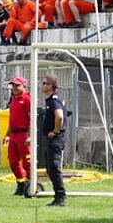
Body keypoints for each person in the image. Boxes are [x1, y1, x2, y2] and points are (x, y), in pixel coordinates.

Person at [3, 77, 33, 196]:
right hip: (14, 135)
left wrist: (30, 135)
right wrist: (7, 135)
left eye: (17, 85)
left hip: (23, 134)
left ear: (24, 86)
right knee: (13, 161)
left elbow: (32, 119)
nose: (14, 88)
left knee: (27, 162)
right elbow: (12, 120)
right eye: (13, 86)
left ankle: (30, 185)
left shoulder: (27, 99)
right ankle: (21, 184)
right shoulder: (14, 100)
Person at [41, 75, 67, 206]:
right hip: (52, 139)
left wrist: (56, 131)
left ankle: (60, 197)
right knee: (50, 169)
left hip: (55, 139)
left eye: (44, 83)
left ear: (51, 86)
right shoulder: (51, 100)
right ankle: (58, 195)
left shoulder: (54, 100)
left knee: (54, 168)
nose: (42, 85)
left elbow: (59, 116)